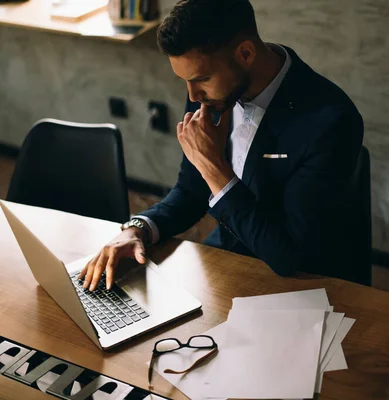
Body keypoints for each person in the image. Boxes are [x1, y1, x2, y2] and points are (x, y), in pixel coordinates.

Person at [79, 0, 365, 292]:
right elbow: (190, 191)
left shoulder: (330, 121)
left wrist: (213, 167)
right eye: (186, 81)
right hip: (226, 261)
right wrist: (138, 229)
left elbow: (289, 257)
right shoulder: (212, 93)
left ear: (245, 53)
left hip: (302, 284)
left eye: (201, 79)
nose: (192, 94)